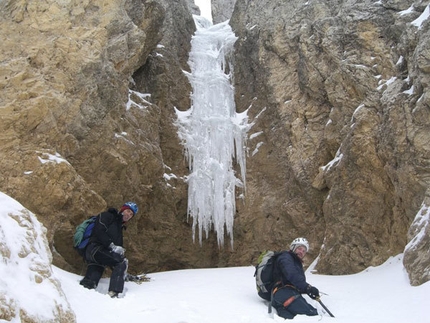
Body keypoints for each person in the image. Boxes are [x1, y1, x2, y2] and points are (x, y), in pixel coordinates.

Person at [79, 201, 138, 298]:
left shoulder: (119, 228)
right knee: (122, 262)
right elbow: (99, 230)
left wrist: (123, 273)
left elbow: (116, 254)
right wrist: (111, 246)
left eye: (131, 214)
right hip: (95, 249)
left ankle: (84, 298)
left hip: (98, 258)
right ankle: (114, 293)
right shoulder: (107, 216)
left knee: (90, 283)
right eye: (128, 211)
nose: (129, 215)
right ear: (123, 209)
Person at [271, 237, 320, 319]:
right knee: (311, 315)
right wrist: (308, 287)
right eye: (299, 248)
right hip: (283, 291)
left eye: (304, 251)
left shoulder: (294, 261)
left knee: (294, 318)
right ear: (293, 248)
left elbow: (294, 281)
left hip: (283, 294)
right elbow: (291, 274)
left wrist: (308, 291)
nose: (301, 252)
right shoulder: (285, 257)